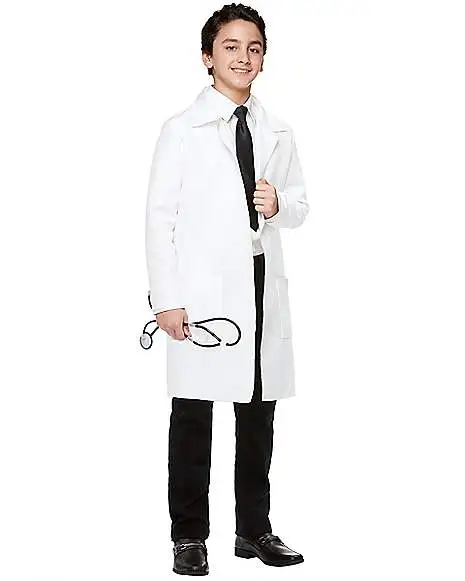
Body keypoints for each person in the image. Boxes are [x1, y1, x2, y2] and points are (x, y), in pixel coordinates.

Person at [145, 3, 309, 575]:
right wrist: (166, 299)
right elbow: (159, 219)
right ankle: (188, 536)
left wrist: (279, 203)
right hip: (201, 293)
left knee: (258, 416)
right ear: (207, 57)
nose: (244, 57)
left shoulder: (279, 131)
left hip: (260, 284)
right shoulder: (180, 131)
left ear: (264, 58)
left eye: (254, 48)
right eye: (231, 47)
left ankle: (253, 530)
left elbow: (300, 205)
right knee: (193, 415)